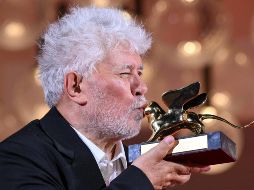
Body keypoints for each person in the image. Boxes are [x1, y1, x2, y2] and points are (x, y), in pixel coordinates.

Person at [0, 6, 210, 190]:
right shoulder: (17, 159)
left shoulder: (135, 163)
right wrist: (141, 181)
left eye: (140, 73)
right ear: (76, 86)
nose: (142, 87)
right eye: (125, 74)